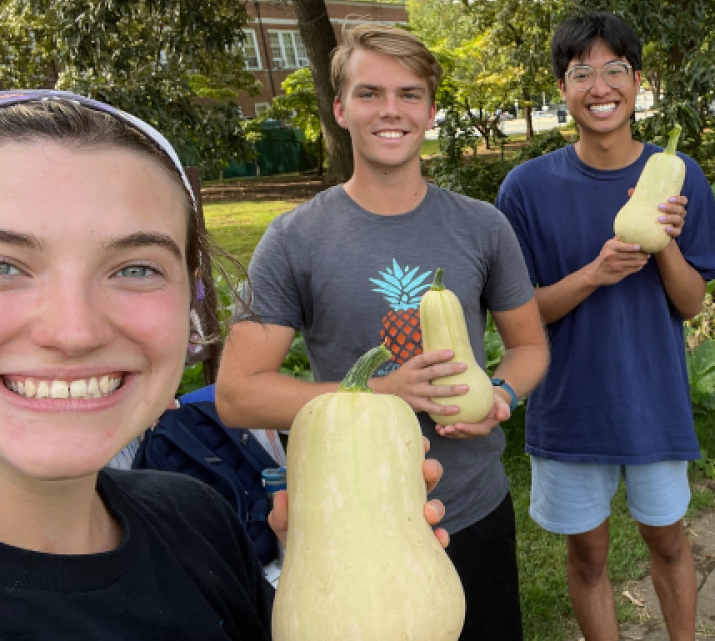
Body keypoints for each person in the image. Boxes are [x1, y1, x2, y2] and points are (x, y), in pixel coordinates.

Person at [0, 91, 447, 639]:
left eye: (136, 269)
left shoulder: (196, 517)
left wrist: (328, 564)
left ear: (190, 301)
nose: (74, 331)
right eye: (5, 265)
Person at [215, 24, 548, 641]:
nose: (390, 110)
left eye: (409, 94)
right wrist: (381, 391)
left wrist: (501, 394)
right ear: (340, 108)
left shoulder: (483, 227)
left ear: (431, 110)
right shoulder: (293, 239)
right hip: (349, 526)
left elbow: (529, 346)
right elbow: (238, 393)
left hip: (473, 507)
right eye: (369, 93)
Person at [495, 12, 715, 641]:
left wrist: (664, 242)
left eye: (614, 70)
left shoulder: (680, 178)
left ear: (637, 81)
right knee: (589, 557)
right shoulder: (525, 188)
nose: (600, 87)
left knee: (669, 542)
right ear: (563, 88)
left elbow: (692, 305)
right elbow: (521, 317)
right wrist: (594, 273)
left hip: (652, 400)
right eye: (581, 73)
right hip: (570, 404)